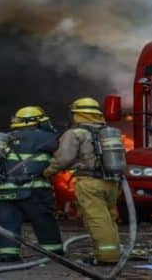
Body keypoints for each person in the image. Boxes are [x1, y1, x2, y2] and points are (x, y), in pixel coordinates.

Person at [43, 97, 121, 266]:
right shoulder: (108, 131)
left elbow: (64, 158)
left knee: (96, 219)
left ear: (77, 114)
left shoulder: (75, 133)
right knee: (109, 217)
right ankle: (114, 252)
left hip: (89, 181)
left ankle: (107, 257)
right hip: (112, 182)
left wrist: (48, 171)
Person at [0, 106, 63, 262]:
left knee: (7, 222)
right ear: (36, 121)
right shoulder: (47, 138)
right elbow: (62, 158)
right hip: (34, 190)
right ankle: (53, 253)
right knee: (43, 220)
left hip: (2, 190)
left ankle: (7, 254)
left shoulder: (2, 139)